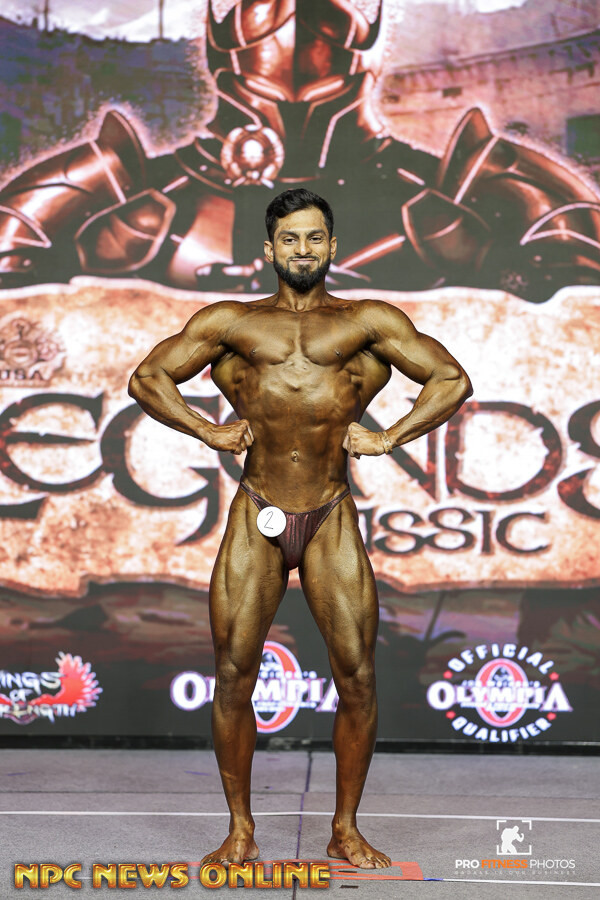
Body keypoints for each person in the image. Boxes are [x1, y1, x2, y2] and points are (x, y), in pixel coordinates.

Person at [128, 188, 472, 869]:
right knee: (233, 674)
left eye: (315, 237)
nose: (304, 249)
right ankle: (239, 829)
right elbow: (148, 378)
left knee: (358, 677)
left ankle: (345, 828)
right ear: (270, 248)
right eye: (291, 238)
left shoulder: (367, 322)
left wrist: (390, 436)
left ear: (332, 246)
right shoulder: (232, 322)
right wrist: (205, 429)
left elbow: (450, 380)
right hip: (256, 509)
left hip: (330, 511)